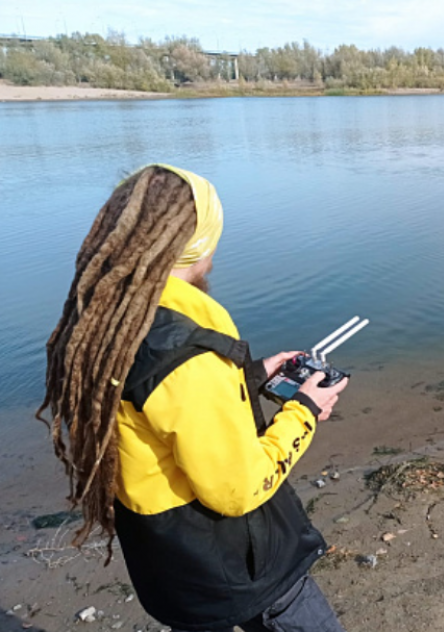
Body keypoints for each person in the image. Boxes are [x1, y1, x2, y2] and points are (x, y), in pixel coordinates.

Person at [38, 164, 348, 632]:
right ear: (199, 247)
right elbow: (237, 490)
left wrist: (251, 373)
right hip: (241, 566)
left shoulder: (101, 323)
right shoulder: (187, 355)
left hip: (169, 566)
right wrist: (303, 410)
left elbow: (159, 407)